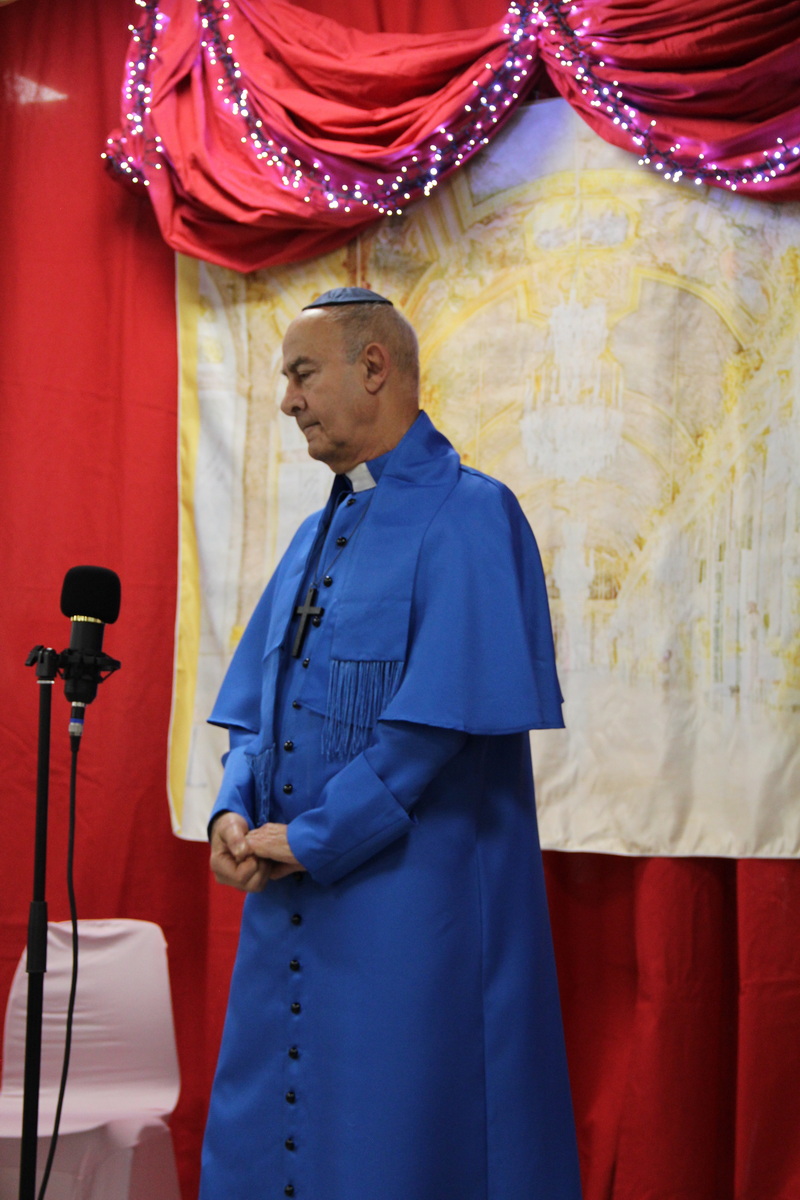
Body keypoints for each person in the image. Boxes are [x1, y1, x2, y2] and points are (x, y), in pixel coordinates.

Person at [200, 287, 582, 1200]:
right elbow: (258, 705)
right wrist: (233, 805)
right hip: (290, 895)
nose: (288, 400)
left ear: (373, 367)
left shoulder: (474, 514)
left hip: (414, 913)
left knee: (400, 1143)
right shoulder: (313, 534)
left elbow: (431, 730)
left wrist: (316, 837)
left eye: (302, 374)